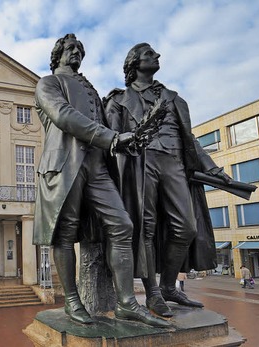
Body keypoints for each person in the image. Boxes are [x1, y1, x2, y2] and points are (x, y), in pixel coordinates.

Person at [33, 34, 168, 328]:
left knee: (123, 225)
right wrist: (112, 138)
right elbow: (64, 115)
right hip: (64, 165)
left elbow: (109, 123)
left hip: (97, 167)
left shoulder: (91, 88)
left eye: (81, 49)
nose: (77, 52)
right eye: (71, 48)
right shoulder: (48, 83)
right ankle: (72, 300)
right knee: (64, 234)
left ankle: (127, 303)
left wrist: (132, 136)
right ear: (57, 54)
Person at [104, 43, 232, 318]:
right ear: (134, 62)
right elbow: (112, 141)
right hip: (141, 164)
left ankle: (168, 286)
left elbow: (191, 140)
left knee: (186, 227)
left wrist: (213, 168)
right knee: (145, 228)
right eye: (150, 54)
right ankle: (153, 294)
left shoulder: (174, 98)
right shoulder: (118, 99)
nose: (157, 56)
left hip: (174, 162)